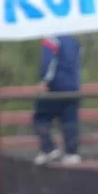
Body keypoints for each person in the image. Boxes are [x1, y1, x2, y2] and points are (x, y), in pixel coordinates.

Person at [33, 35, 82, 165]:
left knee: (41, 117)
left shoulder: (51, 38)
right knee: (70, 120)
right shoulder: (74, 40)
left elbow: (47, 61)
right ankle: (71, 153)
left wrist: (44, 80)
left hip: (55, 86)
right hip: (72, 87)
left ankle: (48, 149)